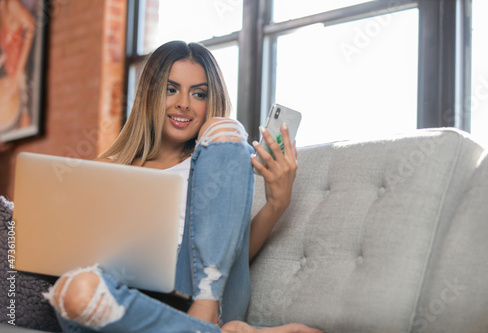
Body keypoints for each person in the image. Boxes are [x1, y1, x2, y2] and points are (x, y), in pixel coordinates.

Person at [42, 41, 321, 333]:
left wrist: (277, 204)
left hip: (205, 293)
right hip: (133, 297)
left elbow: (231, 253)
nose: (184, 103)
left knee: (225, 130)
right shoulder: (107, 168)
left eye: (198, 93)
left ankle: (204, 311)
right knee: (74, 291)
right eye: (170, 89)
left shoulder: (219, 157)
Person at [0, 0, 35, 131]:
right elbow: (9, 46)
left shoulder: (12, 5)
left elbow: (31, 27)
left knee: (24, 124)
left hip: (21, 78)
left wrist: (18, 75)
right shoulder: (2, 9)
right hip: (10, 74)